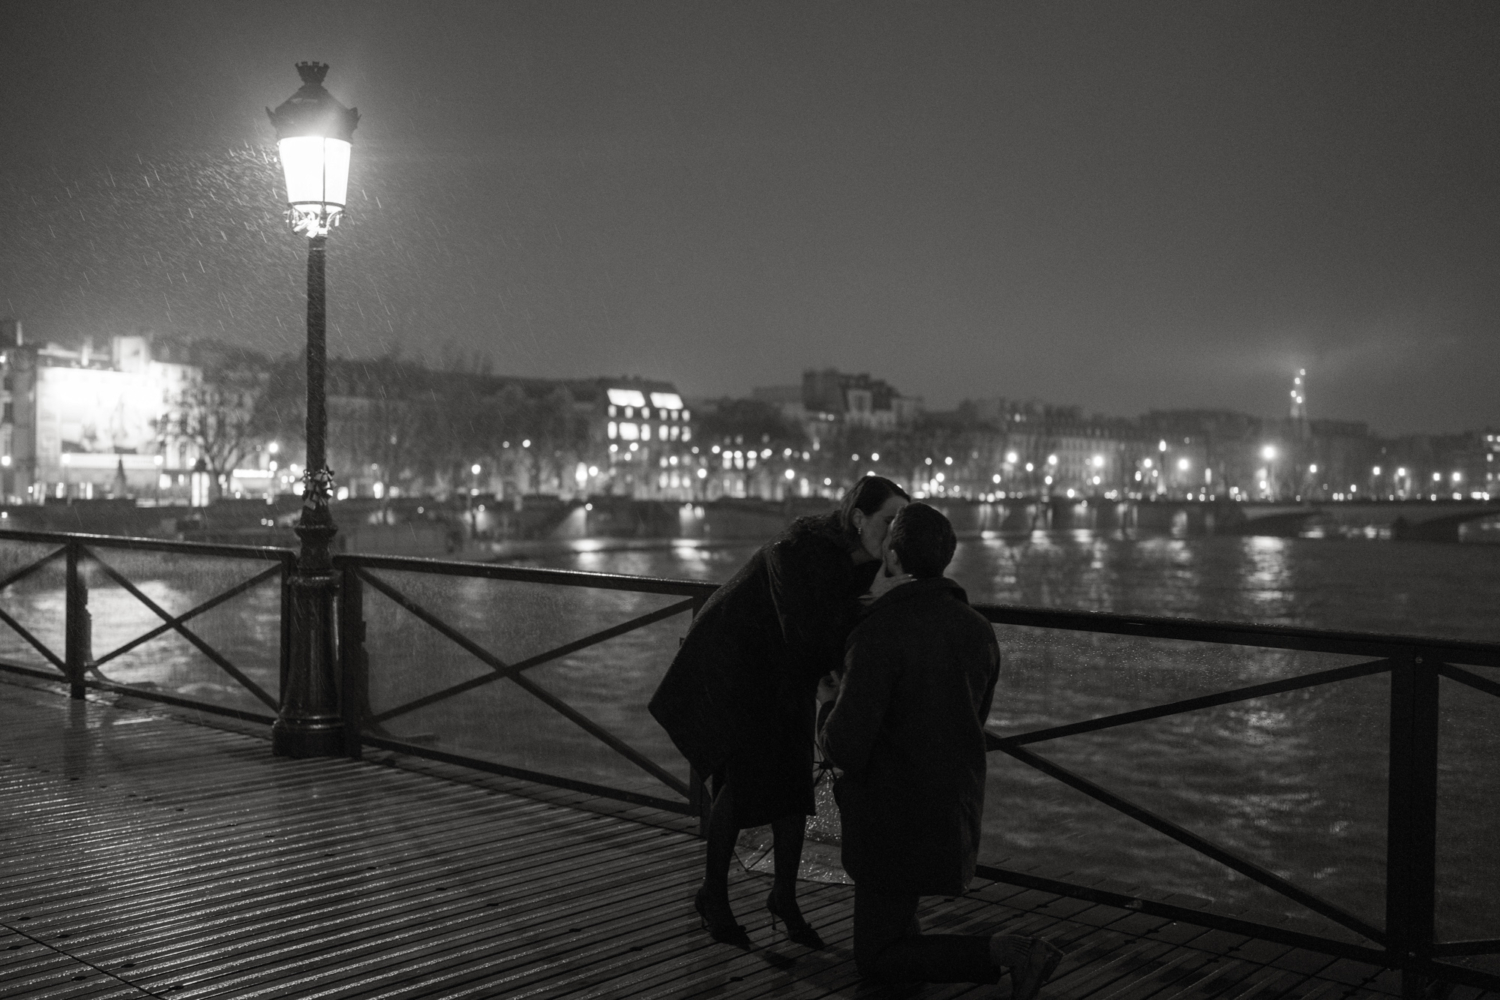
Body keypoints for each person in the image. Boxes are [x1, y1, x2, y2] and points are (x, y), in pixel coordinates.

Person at [649, 475, 910, 949]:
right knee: (741, 781)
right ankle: (714, 895)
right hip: (736, 668)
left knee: (792, 782)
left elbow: (832, 623)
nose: (896, 530)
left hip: (784, 671)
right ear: (858, 518)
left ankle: (783, 897)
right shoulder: (798, 548)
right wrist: (842, 676)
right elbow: (807, 626)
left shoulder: (856, 562)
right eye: (889, 519)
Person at [817, 502, 1063, 996]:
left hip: (889, 819)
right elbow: (976, 718)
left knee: (877, 958)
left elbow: (845, 745)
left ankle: (1011, 952)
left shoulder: (878, 631)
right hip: (951, 808)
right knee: (895, 932)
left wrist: (826, 704)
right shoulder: (977, 629)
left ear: (892, 556)